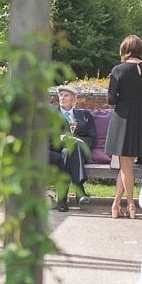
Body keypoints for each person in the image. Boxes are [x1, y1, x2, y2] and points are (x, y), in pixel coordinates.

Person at [104, 34, 142, 219]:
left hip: (124, 117)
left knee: (125, 164)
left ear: (124, 50)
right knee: (125, 164)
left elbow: (111, 99)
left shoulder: (119, 70)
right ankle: (115, 204)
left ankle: (131, 205)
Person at [49, 85, 96, 213]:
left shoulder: (84, 115)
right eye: (61, 95)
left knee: (71, 150)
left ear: (74, 99)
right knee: (66, 152)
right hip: (58, 150)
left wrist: (79, 141)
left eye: (66, 95)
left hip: (80, 152)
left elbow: (92, 139)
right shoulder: (51, 115)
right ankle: (80, 190)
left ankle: (62, 201)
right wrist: (62, 138)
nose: (62, 98)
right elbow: (46, 138)